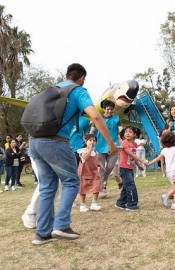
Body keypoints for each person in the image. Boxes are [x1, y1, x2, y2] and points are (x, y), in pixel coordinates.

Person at [29, 63, 117, 245]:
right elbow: (96, 116)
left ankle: (42, 234)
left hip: (34, 141)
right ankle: (61, 224)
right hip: (55, 141)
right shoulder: (78, 91)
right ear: (82, 78)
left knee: (47, 187)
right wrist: (110, 143)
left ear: (67, 75)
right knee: (72, 181)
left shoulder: (51, 89)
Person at [92, 100, 123, 199]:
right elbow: (92, 130)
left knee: (109, 167)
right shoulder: (98, 118)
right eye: (108, 109)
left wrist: (124, 137)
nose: (109, 111)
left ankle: (99, 181)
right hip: (100, 146)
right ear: (104, 109)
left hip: (114, 146)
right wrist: (89, 141)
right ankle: (102, 188)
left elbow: (121, 130)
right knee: (101, 168)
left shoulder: (117, 118)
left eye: (111, 109)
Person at [115, 125, 148, 211]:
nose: (127, 133)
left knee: (126, 186)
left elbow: (133, 157)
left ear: (134, 134)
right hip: (124, 168)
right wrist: (142, 160)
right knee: (130, 186)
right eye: (126, 132)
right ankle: (131, 204)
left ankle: (120, 203)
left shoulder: (134, 144)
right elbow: (131, 154)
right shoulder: (124, 143)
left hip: (129, 168)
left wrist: (138, 165)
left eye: (130, 132)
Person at [77, 134, 105, 212]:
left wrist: (99, 165)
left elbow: (93, 162)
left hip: (94, 173)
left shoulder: (95, 152)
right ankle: (82, 205)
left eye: (94, 140)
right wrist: (89, 149)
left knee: (96, 186)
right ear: (86, 141)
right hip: (84, 173)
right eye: (90, 140)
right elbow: (85, 158)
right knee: (83, 189)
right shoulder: (82, 151)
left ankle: (94, 203)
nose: (92, 142)